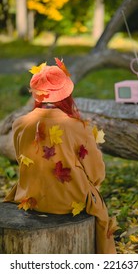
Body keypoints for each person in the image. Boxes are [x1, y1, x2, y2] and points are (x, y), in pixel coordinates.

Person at [4, 58, 117, 254]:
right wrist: (94, 183)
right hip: (69, 201)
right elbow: (96, 171)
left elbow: (20, 156)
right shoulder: (78, 127)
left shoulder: (20, 123)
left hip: (30, 197)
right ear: (66, 95)